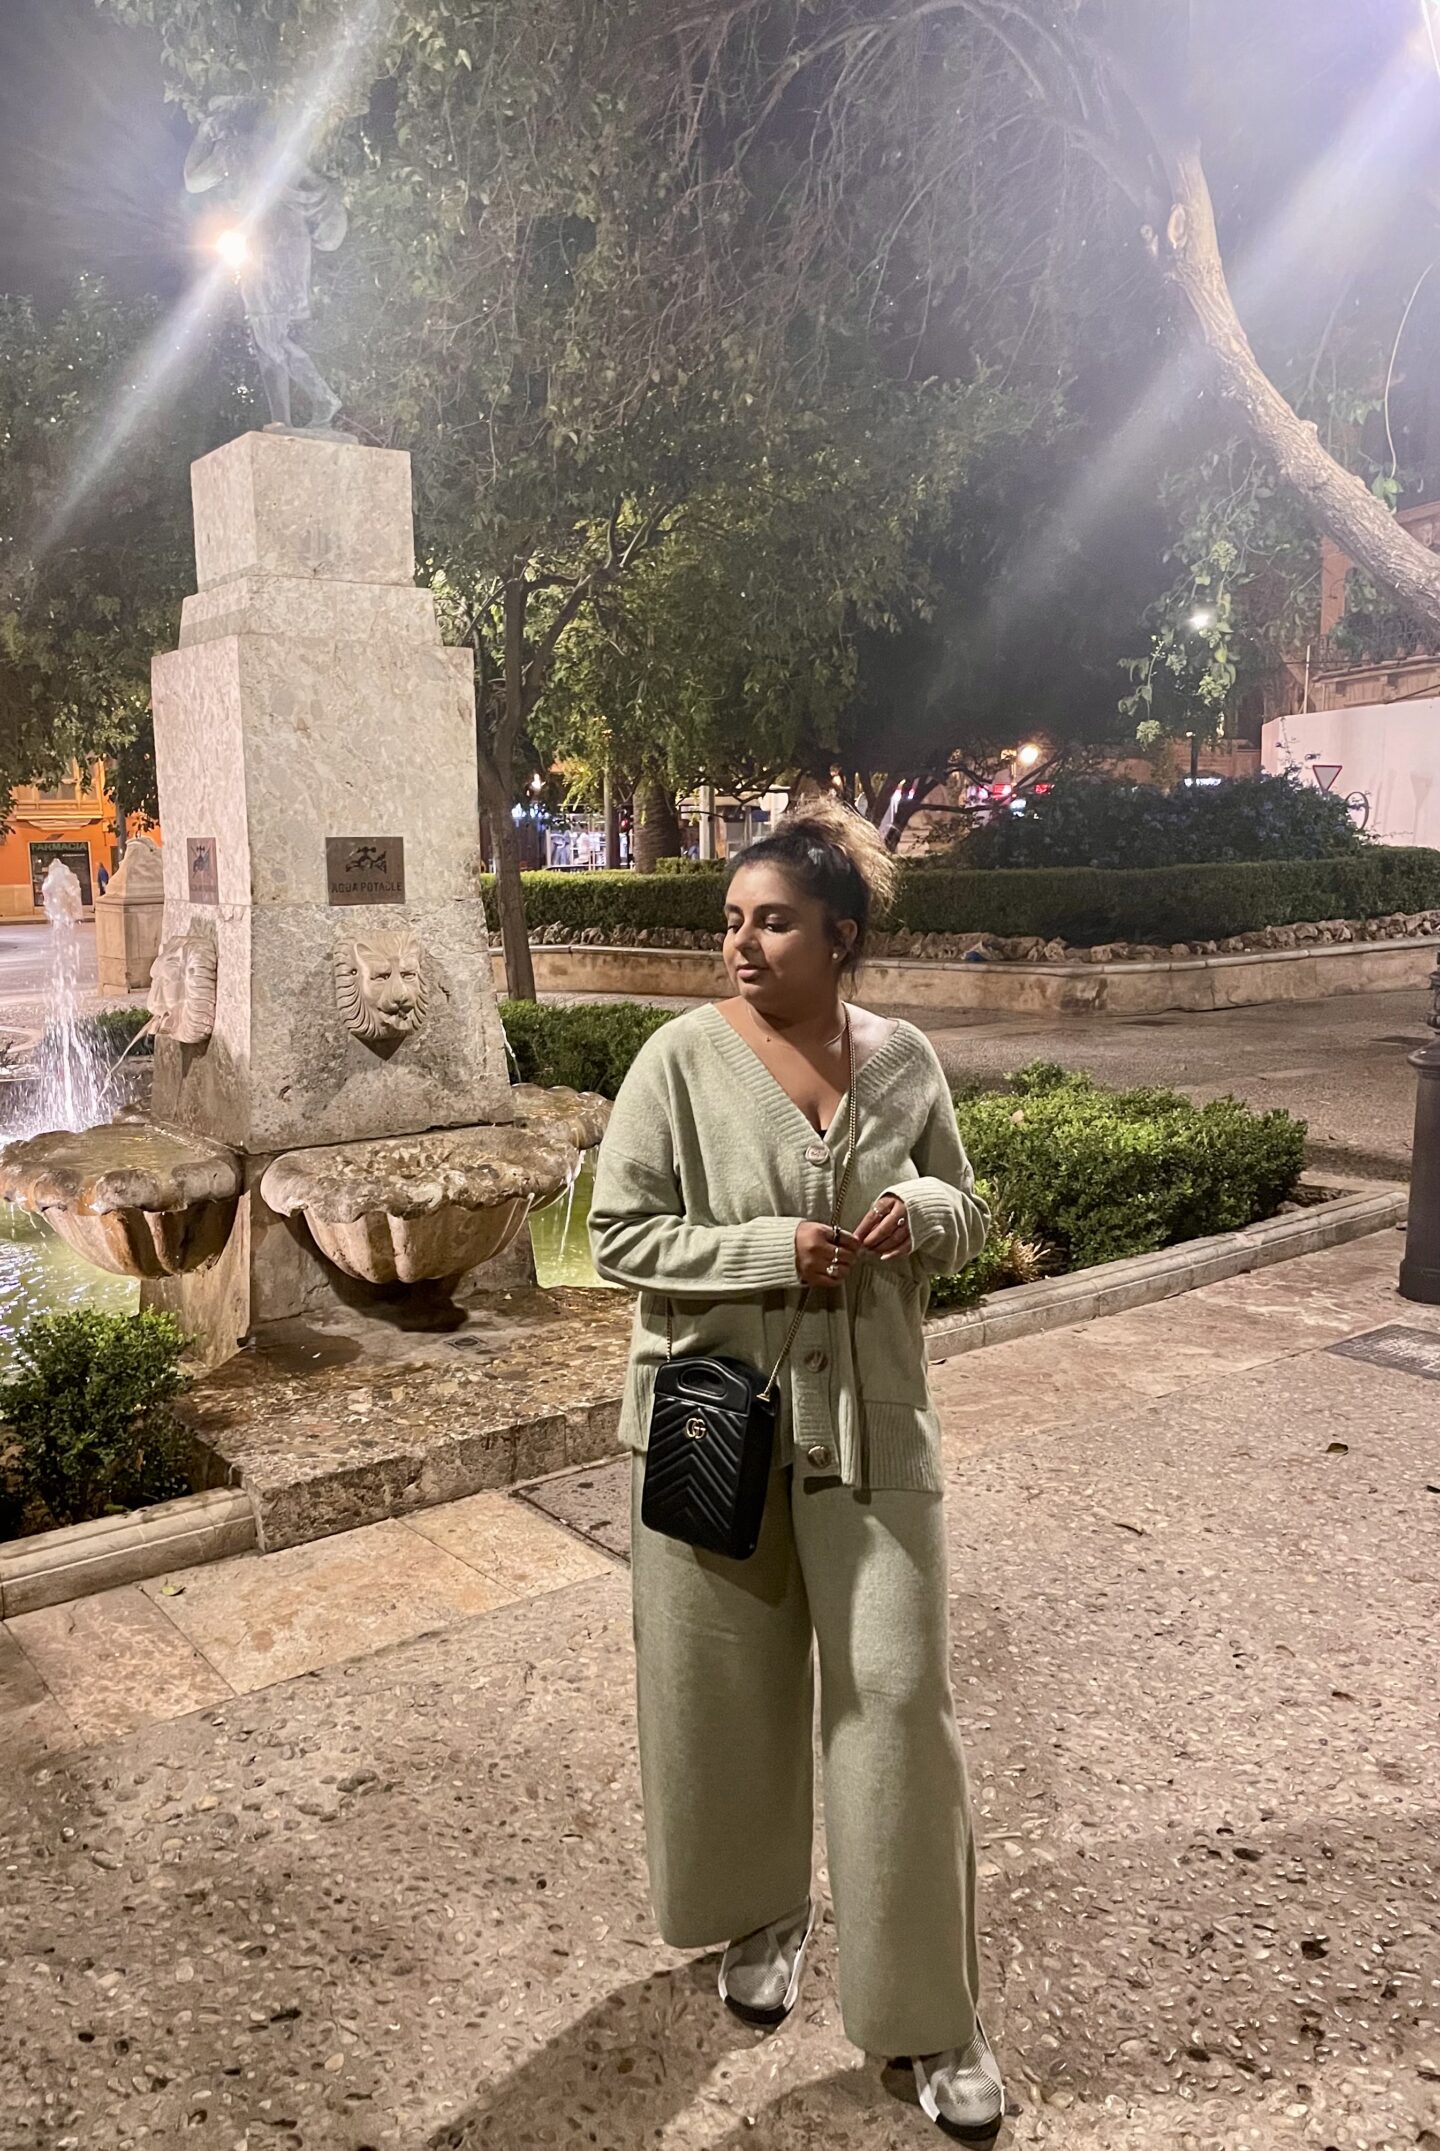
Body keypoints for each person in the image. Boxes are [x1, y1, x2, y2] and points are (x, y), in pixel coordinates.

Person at [588, 800, 1004, 2139]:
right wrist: (771, 1248)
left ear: (843, 935)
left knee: (895, 1702)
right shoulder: (678, 1062)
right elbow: (619, 1234)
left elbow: (967, 1206)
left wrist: (924, 1214)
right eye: (732, 922)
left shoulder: (906, 1061)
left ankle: (929, 2017)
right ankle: (764, 1911)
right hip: (715, 1422)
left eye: (772, 922)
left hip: (874, 1425)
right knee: (723, 1690)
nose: (742, 946)